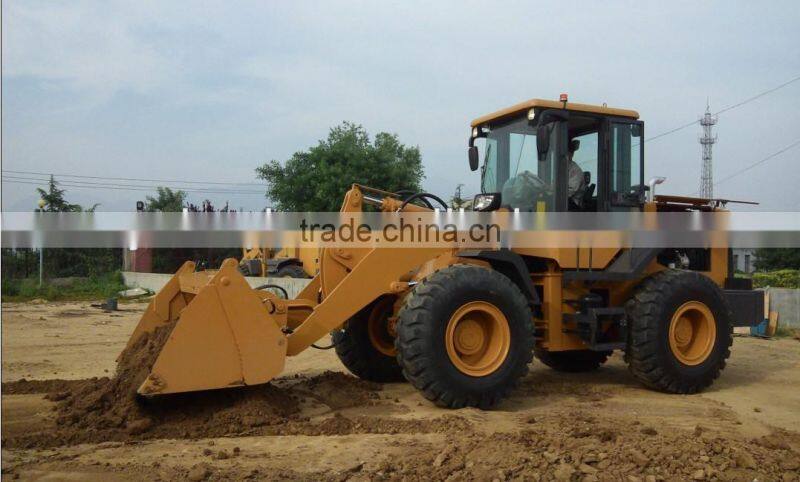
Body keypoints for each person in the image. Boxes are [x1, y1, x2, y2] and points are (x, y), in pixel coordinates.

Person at [567, 139, 586, 208]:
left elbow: (570, 191)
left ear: (571, 154)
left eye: (568, 153)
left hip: (573, 204)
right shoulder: (560, 169)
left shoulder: (575, 170)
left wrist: (553, 193)